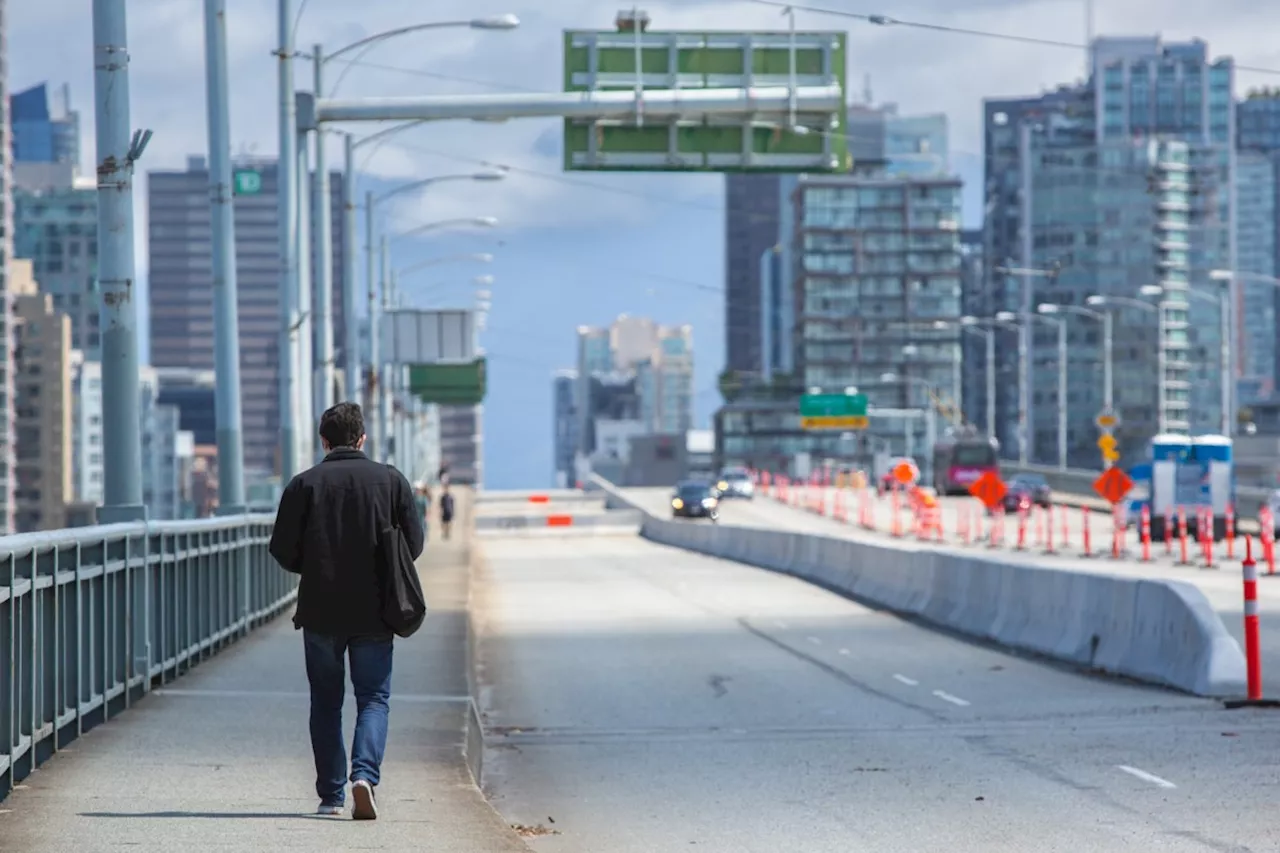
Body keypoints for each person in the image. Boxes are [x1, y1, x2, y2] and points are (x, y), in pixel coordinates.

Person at [269, 402, 425, 821]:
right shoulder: (390, 481)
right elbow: (414, 544)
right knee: (373, 697)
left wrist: (315, 564)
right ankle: (364, 777)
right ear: (362, 439)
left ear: (324, 441)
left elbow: (282, 549)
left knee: (325, 702)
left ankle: (331, 797)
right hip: (377, 610)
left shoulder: (304, 485)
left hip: (321, 610)